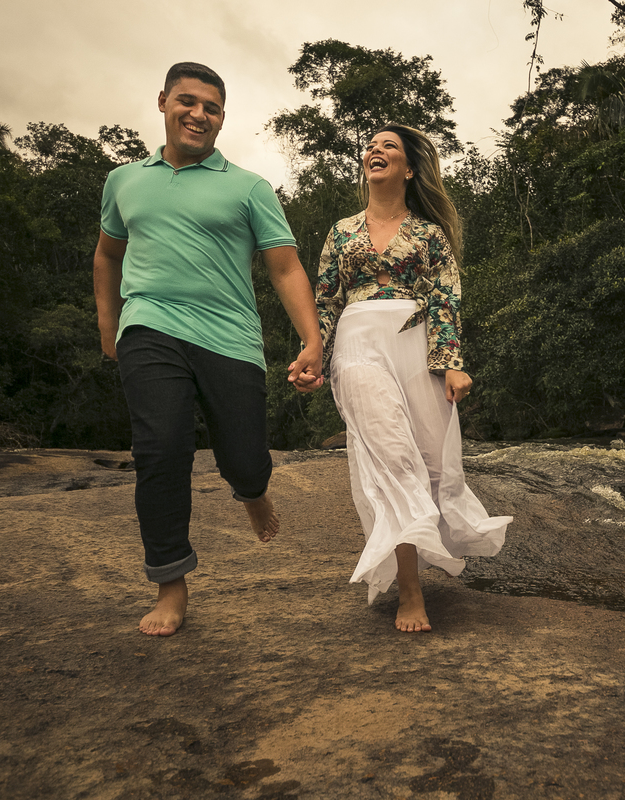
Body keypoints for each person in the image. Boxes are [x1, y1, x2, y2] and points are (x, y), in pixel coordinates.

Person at [94, 62, 323, 637]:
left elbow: (284, 266)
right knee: (160, 449)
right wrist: (110, 326)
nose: (198, 114)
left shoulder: (248, 187)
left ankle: (251, 489)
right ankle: (171, 583)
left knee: (243, 456)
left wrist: (313, 339)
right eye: (187, 101)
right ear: (163, 102)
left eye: (211, 108)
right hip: (150, 326)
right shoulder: (123, 181)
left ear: (222, 118)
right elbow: (108, 255)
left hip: (230, 337)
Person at [291, 123, 510, 633]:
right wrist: (313, 355)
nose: (375, 150)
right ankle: (410, 590)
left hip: (415, 344)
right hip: (357, 345)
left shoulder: (429, 234)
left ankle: (426, 553)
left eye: (388, 146)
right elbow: (326, 301)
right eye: (370, 146)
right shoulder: (341, 232)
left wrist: (451, 361)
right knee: (394, 459)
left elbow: (446, 298)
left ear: (409, 169)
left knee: (432, 465)